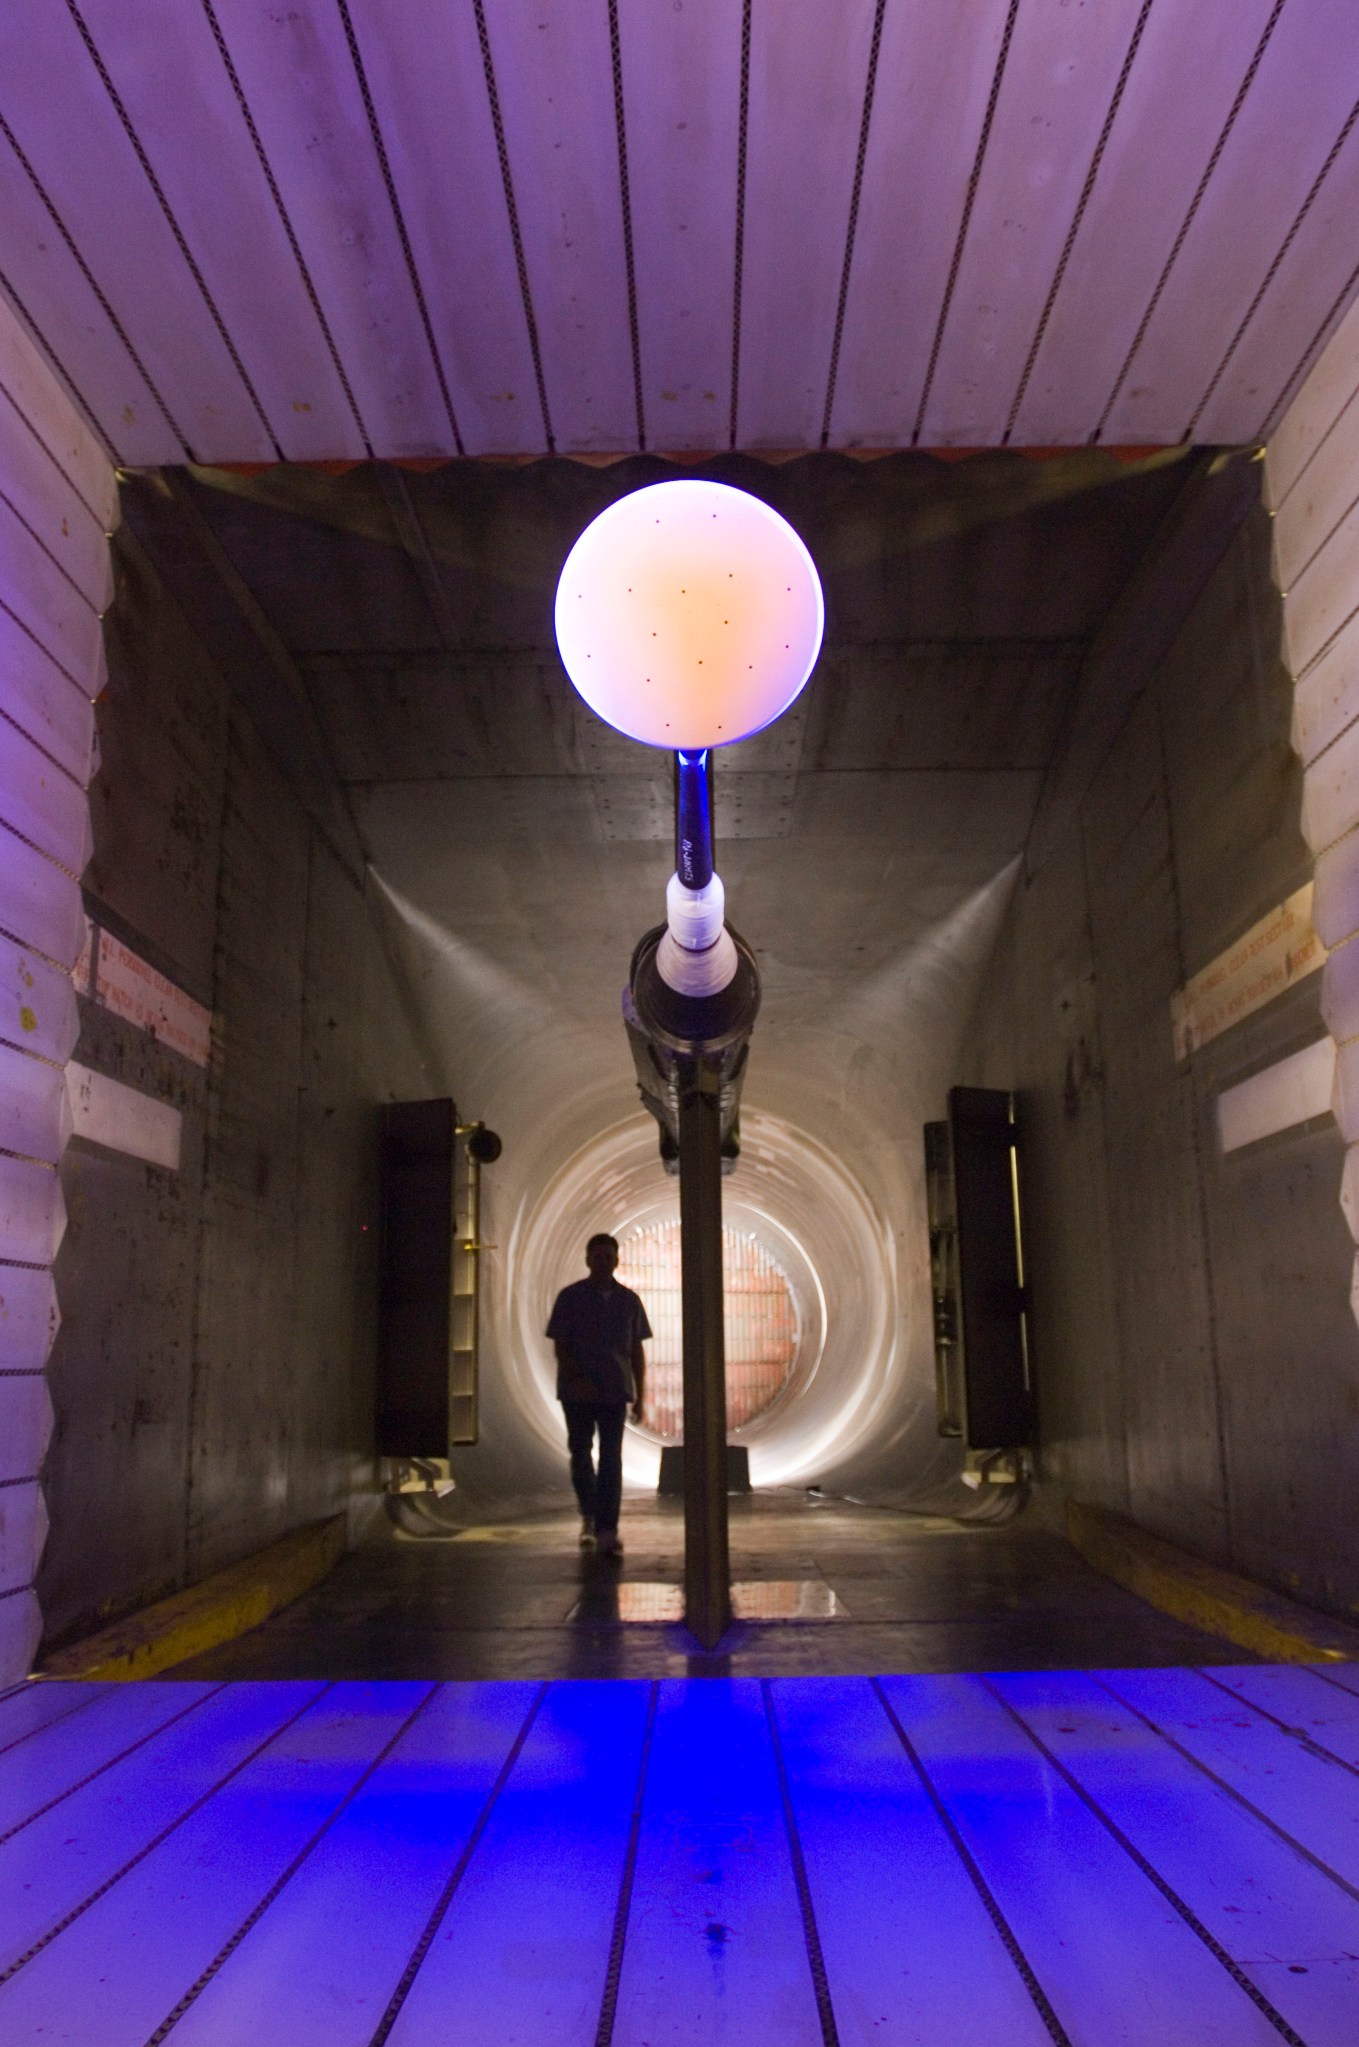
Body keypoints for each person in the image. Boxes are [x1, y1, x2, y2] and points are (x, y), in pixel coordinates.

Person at [546, 1233, 650, 1557]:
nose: (603, 1262)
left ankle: (608, 1528)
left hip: (614, 1391)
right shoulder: (570, 1297)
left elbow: (636, 1350)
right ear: (588, 1259)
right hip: (577, 1393)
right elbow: (561, 1346)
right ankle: (589, 1515)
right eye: (598, 1256)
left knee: (611, 1460)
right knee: (580, 1454)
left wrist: (641, 1395)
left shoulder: (629, 1302)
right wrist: (577, 1378)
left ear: (617, 1261)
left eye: (609, 1257)